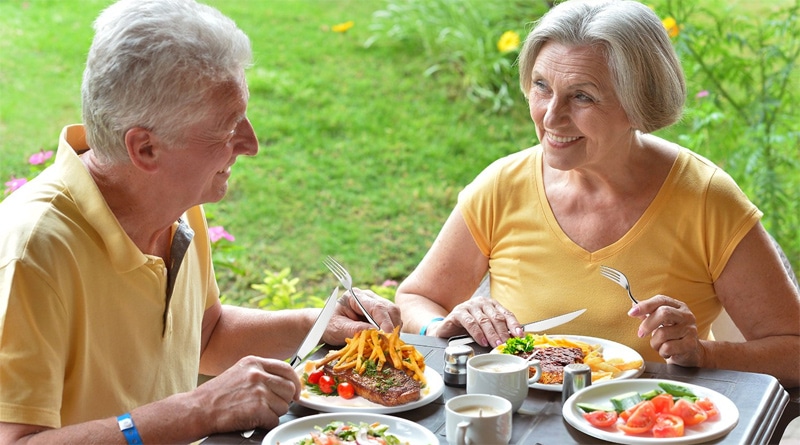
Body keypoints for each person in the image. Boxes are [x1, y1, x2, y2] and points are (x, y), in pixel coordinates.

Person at [0, 0, 401, 443]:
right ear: (146, 148)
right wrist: (200, 409)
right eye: (228, 127)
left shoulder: (176, 201)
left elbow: (205, 335)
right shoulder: (31, 252)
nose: (251, 144)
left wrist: (317, 323)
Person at [396, 0, 800, 388]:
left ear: (639, 102)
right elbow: (417, 296)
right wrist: (437, 327)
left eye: (582, 95)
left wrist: (703, 353)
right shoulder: (503, 185)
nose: (551, 116)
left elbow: (793, 352)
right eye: (541, 86)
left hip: (648, 426)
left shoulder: (706, 199)